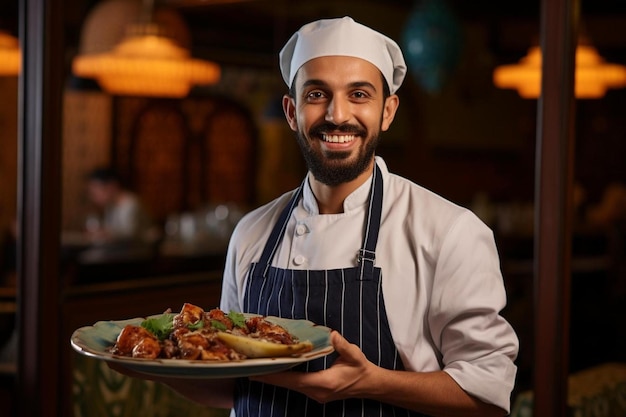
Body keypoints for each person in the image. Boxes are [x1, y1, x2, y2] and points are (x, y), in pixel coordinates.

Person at [112, 16, 518, 416]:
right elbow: (235, 385)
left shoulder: (448, 232)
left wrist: (374, 383)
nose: (337, 115)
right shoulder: (252, 232)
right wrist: (155, 367)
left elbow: (487, 395)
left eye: (359, 94)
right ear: (291, 111)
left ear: (388, 111)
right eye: (317, 94)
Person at [84, 167, 153, 244]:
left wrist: (106, 233)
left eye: (96, 192)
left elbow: (130, 233)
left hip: (137, 250)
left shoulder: (131, 203)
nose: (95, 197)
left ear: (111, 186)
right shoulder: (110, 206)